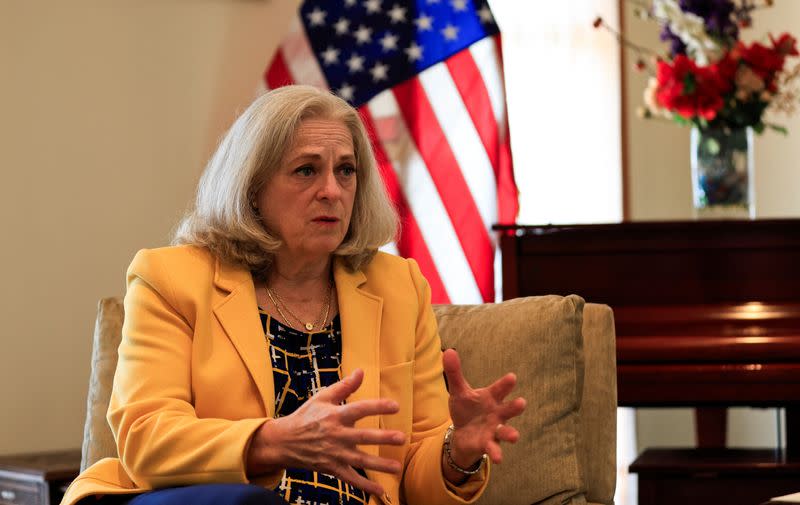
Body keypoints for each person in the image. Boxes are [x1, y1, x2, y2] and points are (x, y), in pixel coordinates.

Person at [62, 85, 526, 505]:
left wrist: (456, 453)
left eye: (346, 171)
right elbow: (146, 438)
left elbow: (406, 478)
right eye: (306, 170)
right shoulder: (171, 278)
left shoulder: (398, 286)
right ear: (252, 188)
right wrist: (274, 441)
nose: (332, 190)